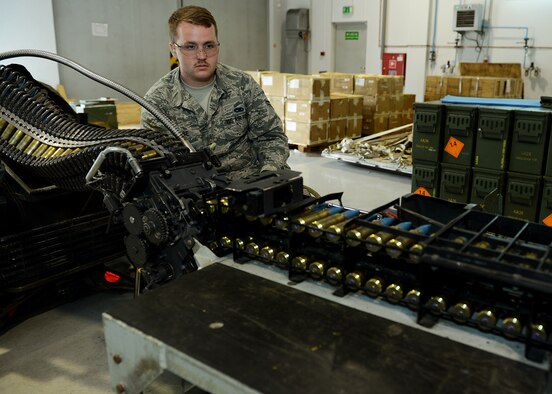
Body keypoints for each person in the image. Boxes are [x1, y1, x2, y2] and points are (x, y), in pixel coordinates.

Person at [141, 5, 289, 180]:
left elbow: (271, 137)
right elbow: (160, 167)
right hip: (195, 193)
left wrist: (268, 177)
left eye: (209, 45)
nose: (202, 55)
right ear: (174, 49)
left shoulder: (242, 84)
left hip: (249, 184)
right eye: (190, 47)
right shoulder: (157, 103)